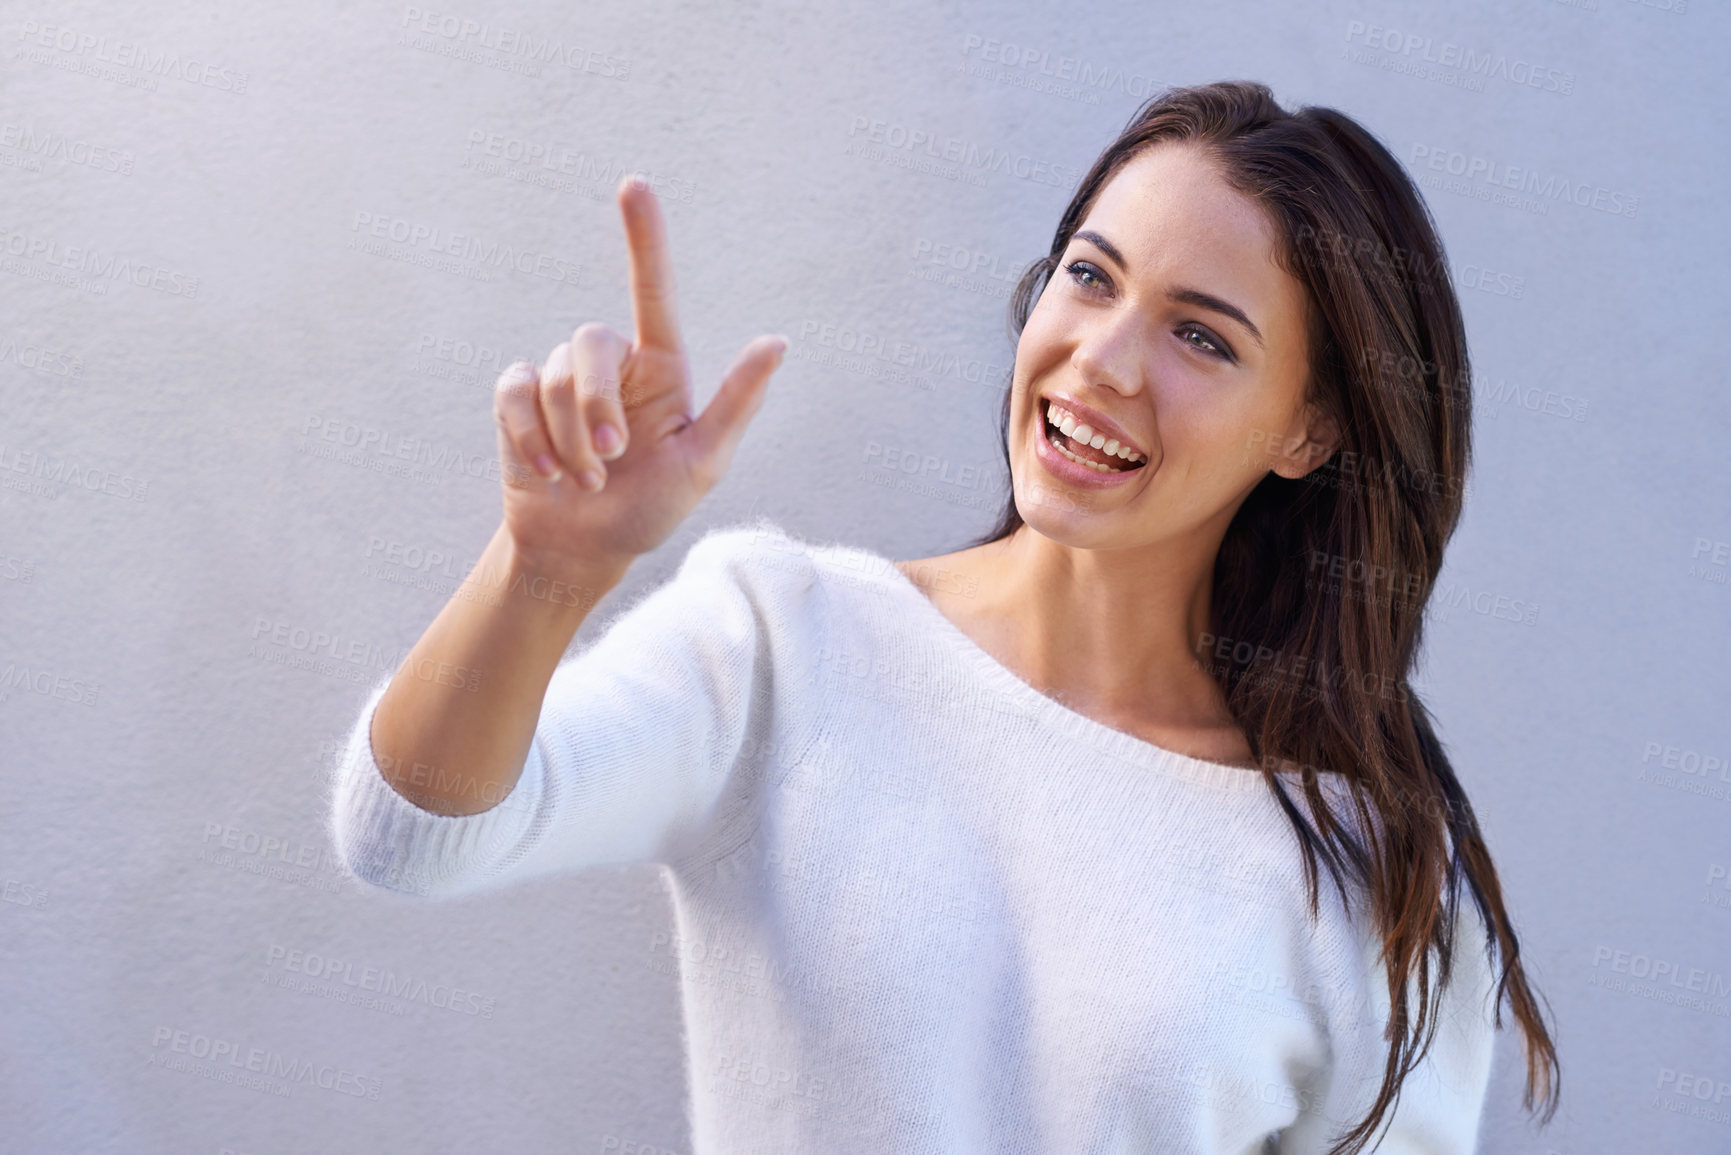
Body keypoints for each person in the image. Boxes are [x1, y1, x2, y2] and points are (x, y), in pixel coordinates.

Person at [328, 80, 1560, 1154]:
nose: (1102, 361)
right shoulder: (787, 645)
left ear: (1311, 430)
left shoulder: (1368, 872)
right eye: (1090, 276)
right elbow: (411, 837)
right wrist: (544, 575)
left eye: (1199, 334)